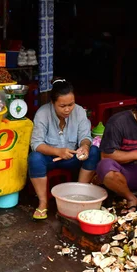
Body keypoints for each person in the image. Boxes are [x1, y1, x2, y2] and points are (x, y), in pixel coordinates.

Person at [28, 79, 101, 220]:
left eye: (71, 104)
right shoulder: (42, 114)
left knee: (93, 152)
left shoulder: (79, 111)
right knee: (34, 158)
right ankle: (43, 203)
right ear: (53, 103)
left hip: (72, 157)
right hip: (50, 158)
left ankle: (80, 194)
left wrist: (84, 146)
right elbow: (36, 144)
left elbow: (85, 137)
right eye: (62, 106)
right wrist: (57, 151)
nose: (67, 109)